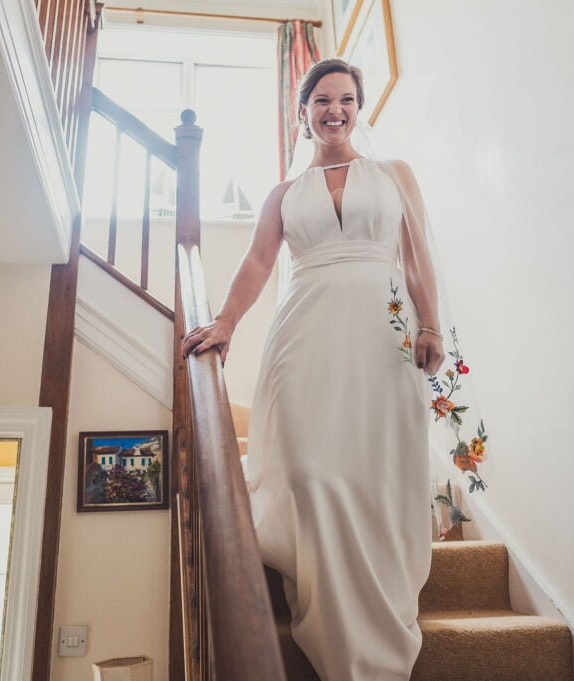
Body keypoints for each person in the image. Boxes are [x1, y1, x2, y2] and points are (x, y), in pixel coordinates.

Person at [181, 58, 443, 681]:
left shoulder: (394, 175)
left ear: (358, 107)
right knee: (308, 466)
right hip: (303, 336)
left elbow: (416, 256)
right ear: (302, 111)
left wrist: (430, 324)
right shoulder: (282, 195)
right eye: (322, 99)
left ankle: (380, 591)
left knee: (378, 464)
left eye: (346, 99)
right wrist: (224, 323)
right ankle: (330, 598)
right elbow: (257, 263)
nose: (335, 109)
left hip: (382, 335)